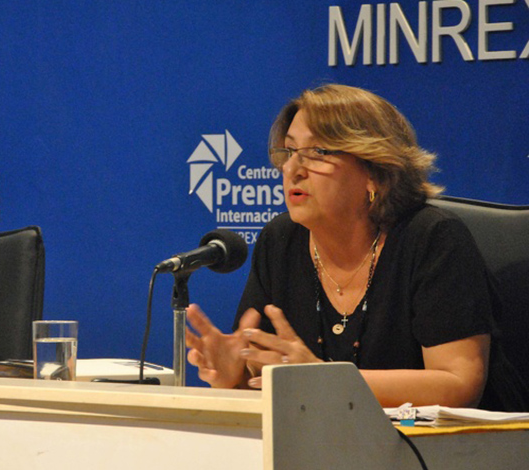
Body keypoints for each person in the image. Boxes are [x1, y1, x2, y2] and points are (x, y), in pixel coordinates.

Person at [186, 84, 525, 410]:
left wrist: (322, 380)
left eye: (318, 152)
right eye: (289, 152)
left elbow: (458, 384)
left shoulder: (432, 238)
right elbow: (276, 378)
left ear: (375, 172)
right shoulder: (281, 241)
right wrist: (237, 375)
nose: (292, 169)